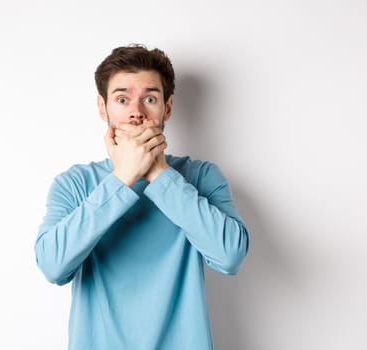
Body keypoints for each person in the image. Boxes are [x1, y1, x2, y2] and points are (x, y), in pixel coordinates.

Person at [35, 44, 249, 350]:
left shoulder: (202, 177)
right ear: (102, 107)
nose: (136, 112)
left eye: (149, 98)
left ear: (168, 107)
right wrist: (123, 177)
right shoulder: (74, 183)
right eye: (122, 99)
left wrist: (158, 172)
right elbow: (53, 266)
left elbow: (230, 256)